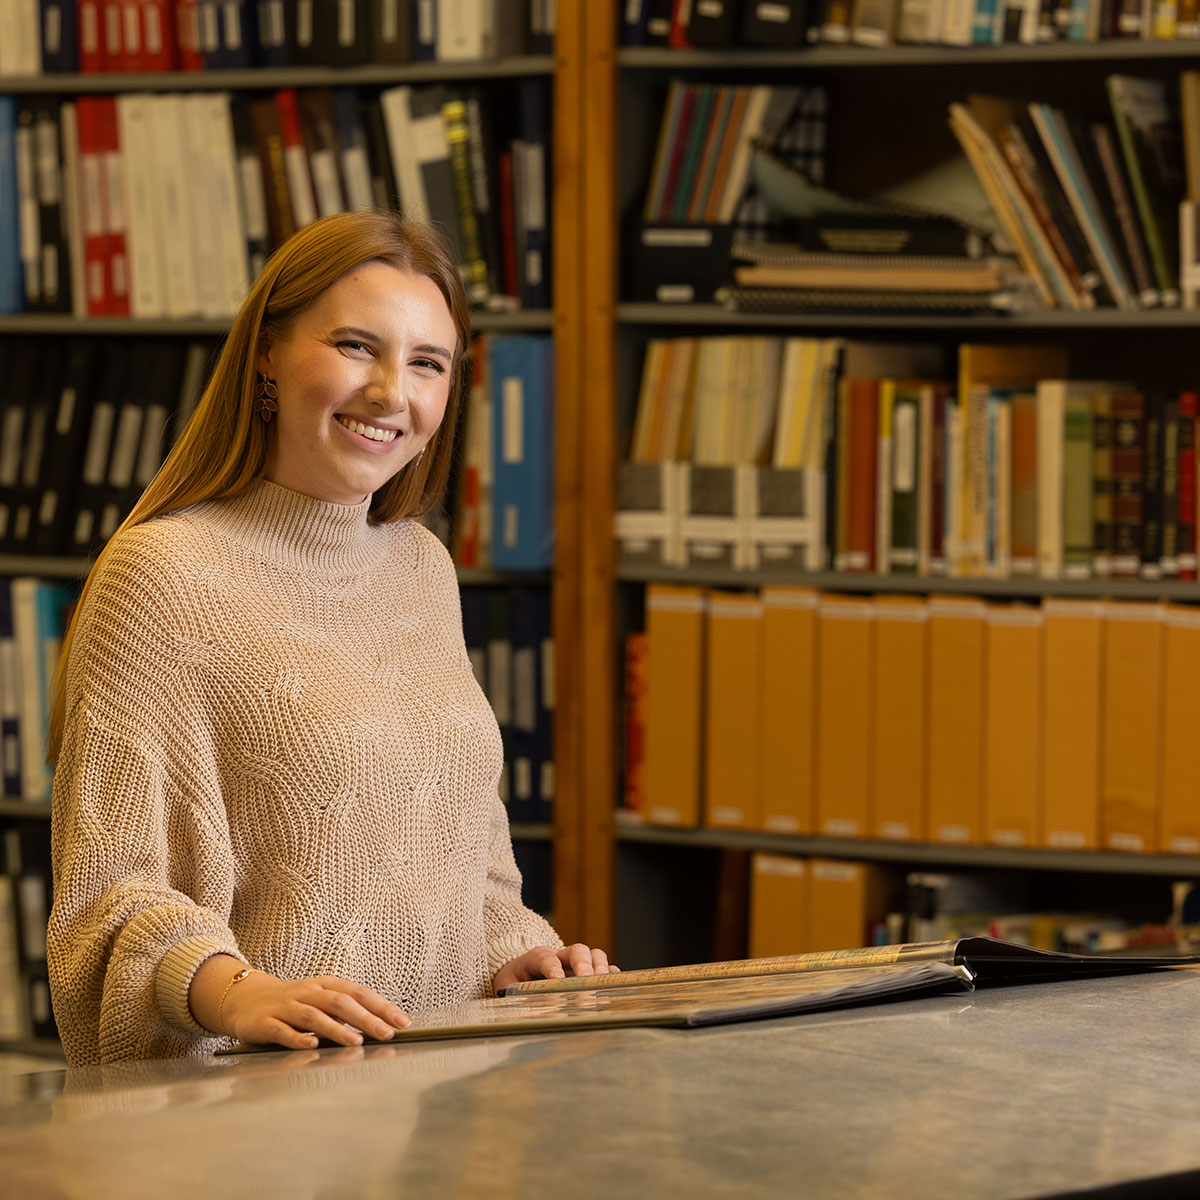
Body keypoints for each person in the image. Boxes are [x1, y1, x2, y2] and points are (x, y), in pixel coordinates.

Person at [46, 210, 615, 1067]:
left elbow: (463, 851)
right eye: (357, 346)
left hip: (434, 1108)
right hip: (261, 1111)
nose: (394, 392)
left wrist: (517, 954)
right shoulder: (162, 574)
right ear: (267, 357)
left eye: (428, 363)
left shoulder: (422, 566)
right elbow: (104, 900)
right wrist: (240, 992)